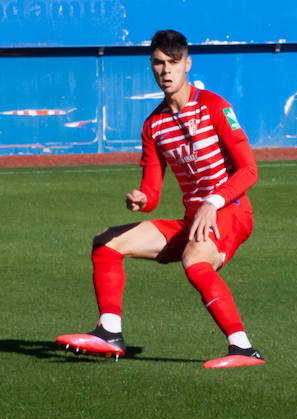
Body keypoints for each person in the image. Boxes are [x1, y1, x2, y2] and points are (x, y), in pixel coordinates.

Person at [57, 29, 264, 369]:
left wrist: (213, 202)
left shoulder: (215, 107)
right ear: (151, 66)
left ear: (187, 65)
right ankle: (110, 332)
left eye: (173, 62)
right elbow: (152, 192)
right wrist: (142, 199)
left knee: (195, 259)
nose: (166, 71)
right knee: (106, 243)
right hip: (194, 217)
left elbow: (249, 171)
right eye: (158, 63)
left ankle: (242, 348)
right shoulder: (153, 124)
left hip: (231, 211)